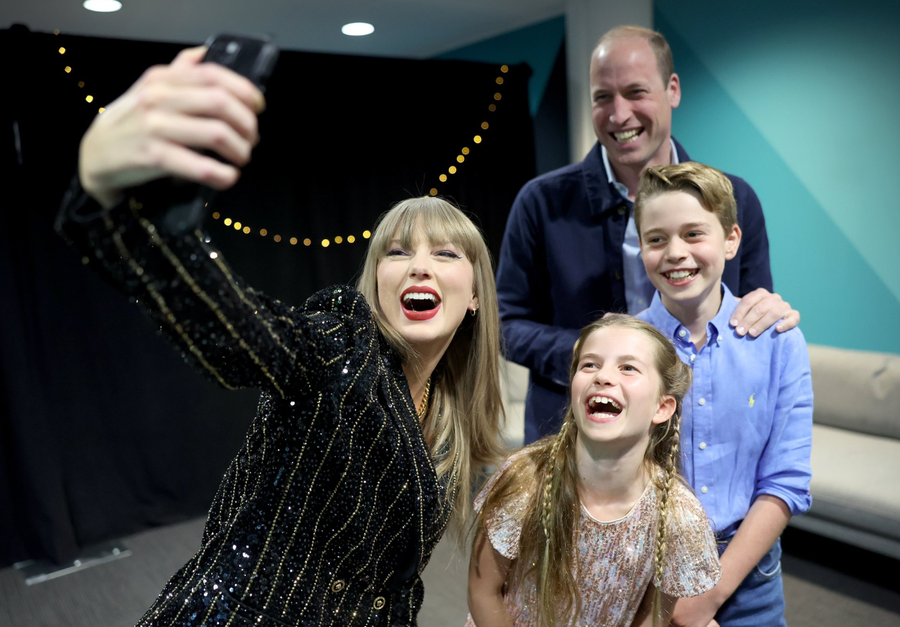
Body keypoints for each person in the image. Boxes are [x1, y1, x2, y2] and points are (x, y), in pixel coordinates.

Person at [56, 47, 506, 626]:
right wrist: (108, 198)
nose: (419, 266)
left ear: (474, 296)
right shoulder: (339, 343)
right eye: (397, 252)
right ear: (375, 281)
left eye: (444, 254)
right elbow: (238, 330)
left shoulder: (447, 415)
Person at [495, 25, 801, 443]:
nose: (619, 115)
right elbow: (505, 323)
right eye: (603, 97)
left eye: (636, 92)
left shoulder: (736, 199)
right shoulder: (540, 202)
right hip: (572, 434)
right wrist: (592, 354)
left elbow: (750, 312)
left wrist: (770, 311)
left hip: (703, 434)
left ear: (672, 89)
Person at [634, 162, 813, 627]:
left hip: (749, 572)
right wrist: (673, 601)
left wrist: (708, 597)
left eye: (694, 234)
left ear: (731, 240)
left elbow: (786, 481)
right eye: (656, 239)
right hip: (645, 572)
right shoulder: (625, 344)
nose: (675, 253)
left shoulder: (779, 341)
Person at [466, 315, 721, 627]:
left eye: (628, 368)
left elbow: (652, 619)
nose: (602, 377)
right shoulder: (525, 480)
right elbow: (483, 591)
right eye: (589, 365)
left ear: (662, 407)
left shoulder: (677, 516)